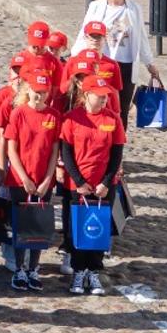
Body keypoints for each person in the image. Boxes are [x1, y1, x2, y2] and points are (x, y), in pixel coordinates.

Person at [60, 79, 124, 296]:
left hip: (104, 186)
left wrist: (106, 182)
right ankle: (78, 270)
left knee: (99, 229)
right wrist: (79, 182)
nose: (104, 98)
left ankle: (94, 270)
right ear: (86, 94)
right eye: (99, 94)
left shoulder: (112, 119)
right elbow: (66, 153)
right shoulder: (71, 119)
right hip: (78, 186)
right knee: (76, 228)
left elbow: (116, 153)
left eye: (106, 94)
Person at [3, 71, 63, 291]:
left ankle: (33, 269)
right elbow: (12, 148)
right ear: (28, 90)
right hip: (20, 180)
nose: (39, 96)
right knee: (21, 225)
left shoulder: (54, 116)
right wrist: (24, 178)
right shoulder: (18, 113)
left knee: (38, 225)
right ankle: (19, 268)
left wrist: (48, 179)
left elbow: (54, 150)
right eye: (36, 92)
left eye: (43, 92)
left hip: (42, 180)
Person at [76, 0, 162, 112]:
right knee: (99, 103)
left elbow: (141, 37)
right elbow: (84, 33)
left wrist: (149, 63)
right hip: (101, 64)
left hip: (125, 65)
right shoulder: (96, 7)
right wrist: (75, 57)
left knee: (121, 108)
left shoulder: (134, 9)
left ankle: (121, 134)